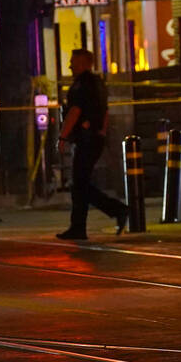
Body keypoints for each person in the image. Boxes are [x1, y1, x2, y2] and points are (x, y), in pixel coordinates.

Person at [56, 49, 128, 240]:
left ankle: (117, 210)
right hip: (94, 138)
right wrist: (102, 132)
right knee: (80, 184)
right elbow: (105, 110)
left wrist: (62, 137)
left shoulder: (81, 85)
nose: (70, 65)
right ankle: (78, 227)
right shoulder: (97, 83)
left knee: (79, 184)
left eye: (73, 62)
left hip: (85, 139)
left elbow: (75, 111)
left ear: (83, 62)